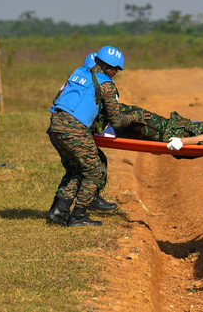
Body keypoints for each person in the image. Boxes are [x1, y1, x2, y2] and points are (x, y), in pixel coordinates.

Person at [46, 46, 149, 227]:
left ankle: (59, 211)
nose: (116, 72)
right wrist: (136, 117)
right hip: (74, 131)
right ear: (109, 67)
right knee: (95, 171)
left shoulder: (78, 73)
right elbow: (116, 121)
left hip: (54, 126)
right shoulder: (107, 85)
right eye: (116, 69)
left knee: (78, 169)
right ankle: (78, 215)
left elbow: (58, 98)